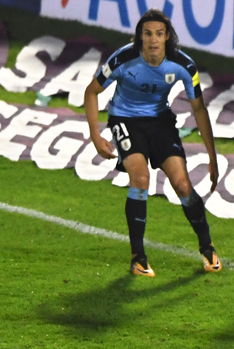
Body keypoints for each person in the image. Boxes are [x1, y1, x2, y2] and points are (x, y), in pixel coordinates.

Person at [83, 8, 221, 277]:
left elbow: (199, 109)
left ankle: (207, 247)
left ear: (167, 36)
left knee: (182, 184)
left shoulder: (183, 65)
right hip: (125, 120)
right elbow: (92, 91)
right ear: (140, 37)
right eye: (147, 34)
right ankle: (138, 257)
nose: (153, 40)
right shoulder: (123, 58)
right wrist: (95, 136)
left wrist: (212, 157)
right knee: (140, 177)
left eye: (159, 34)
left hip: (160, 122)